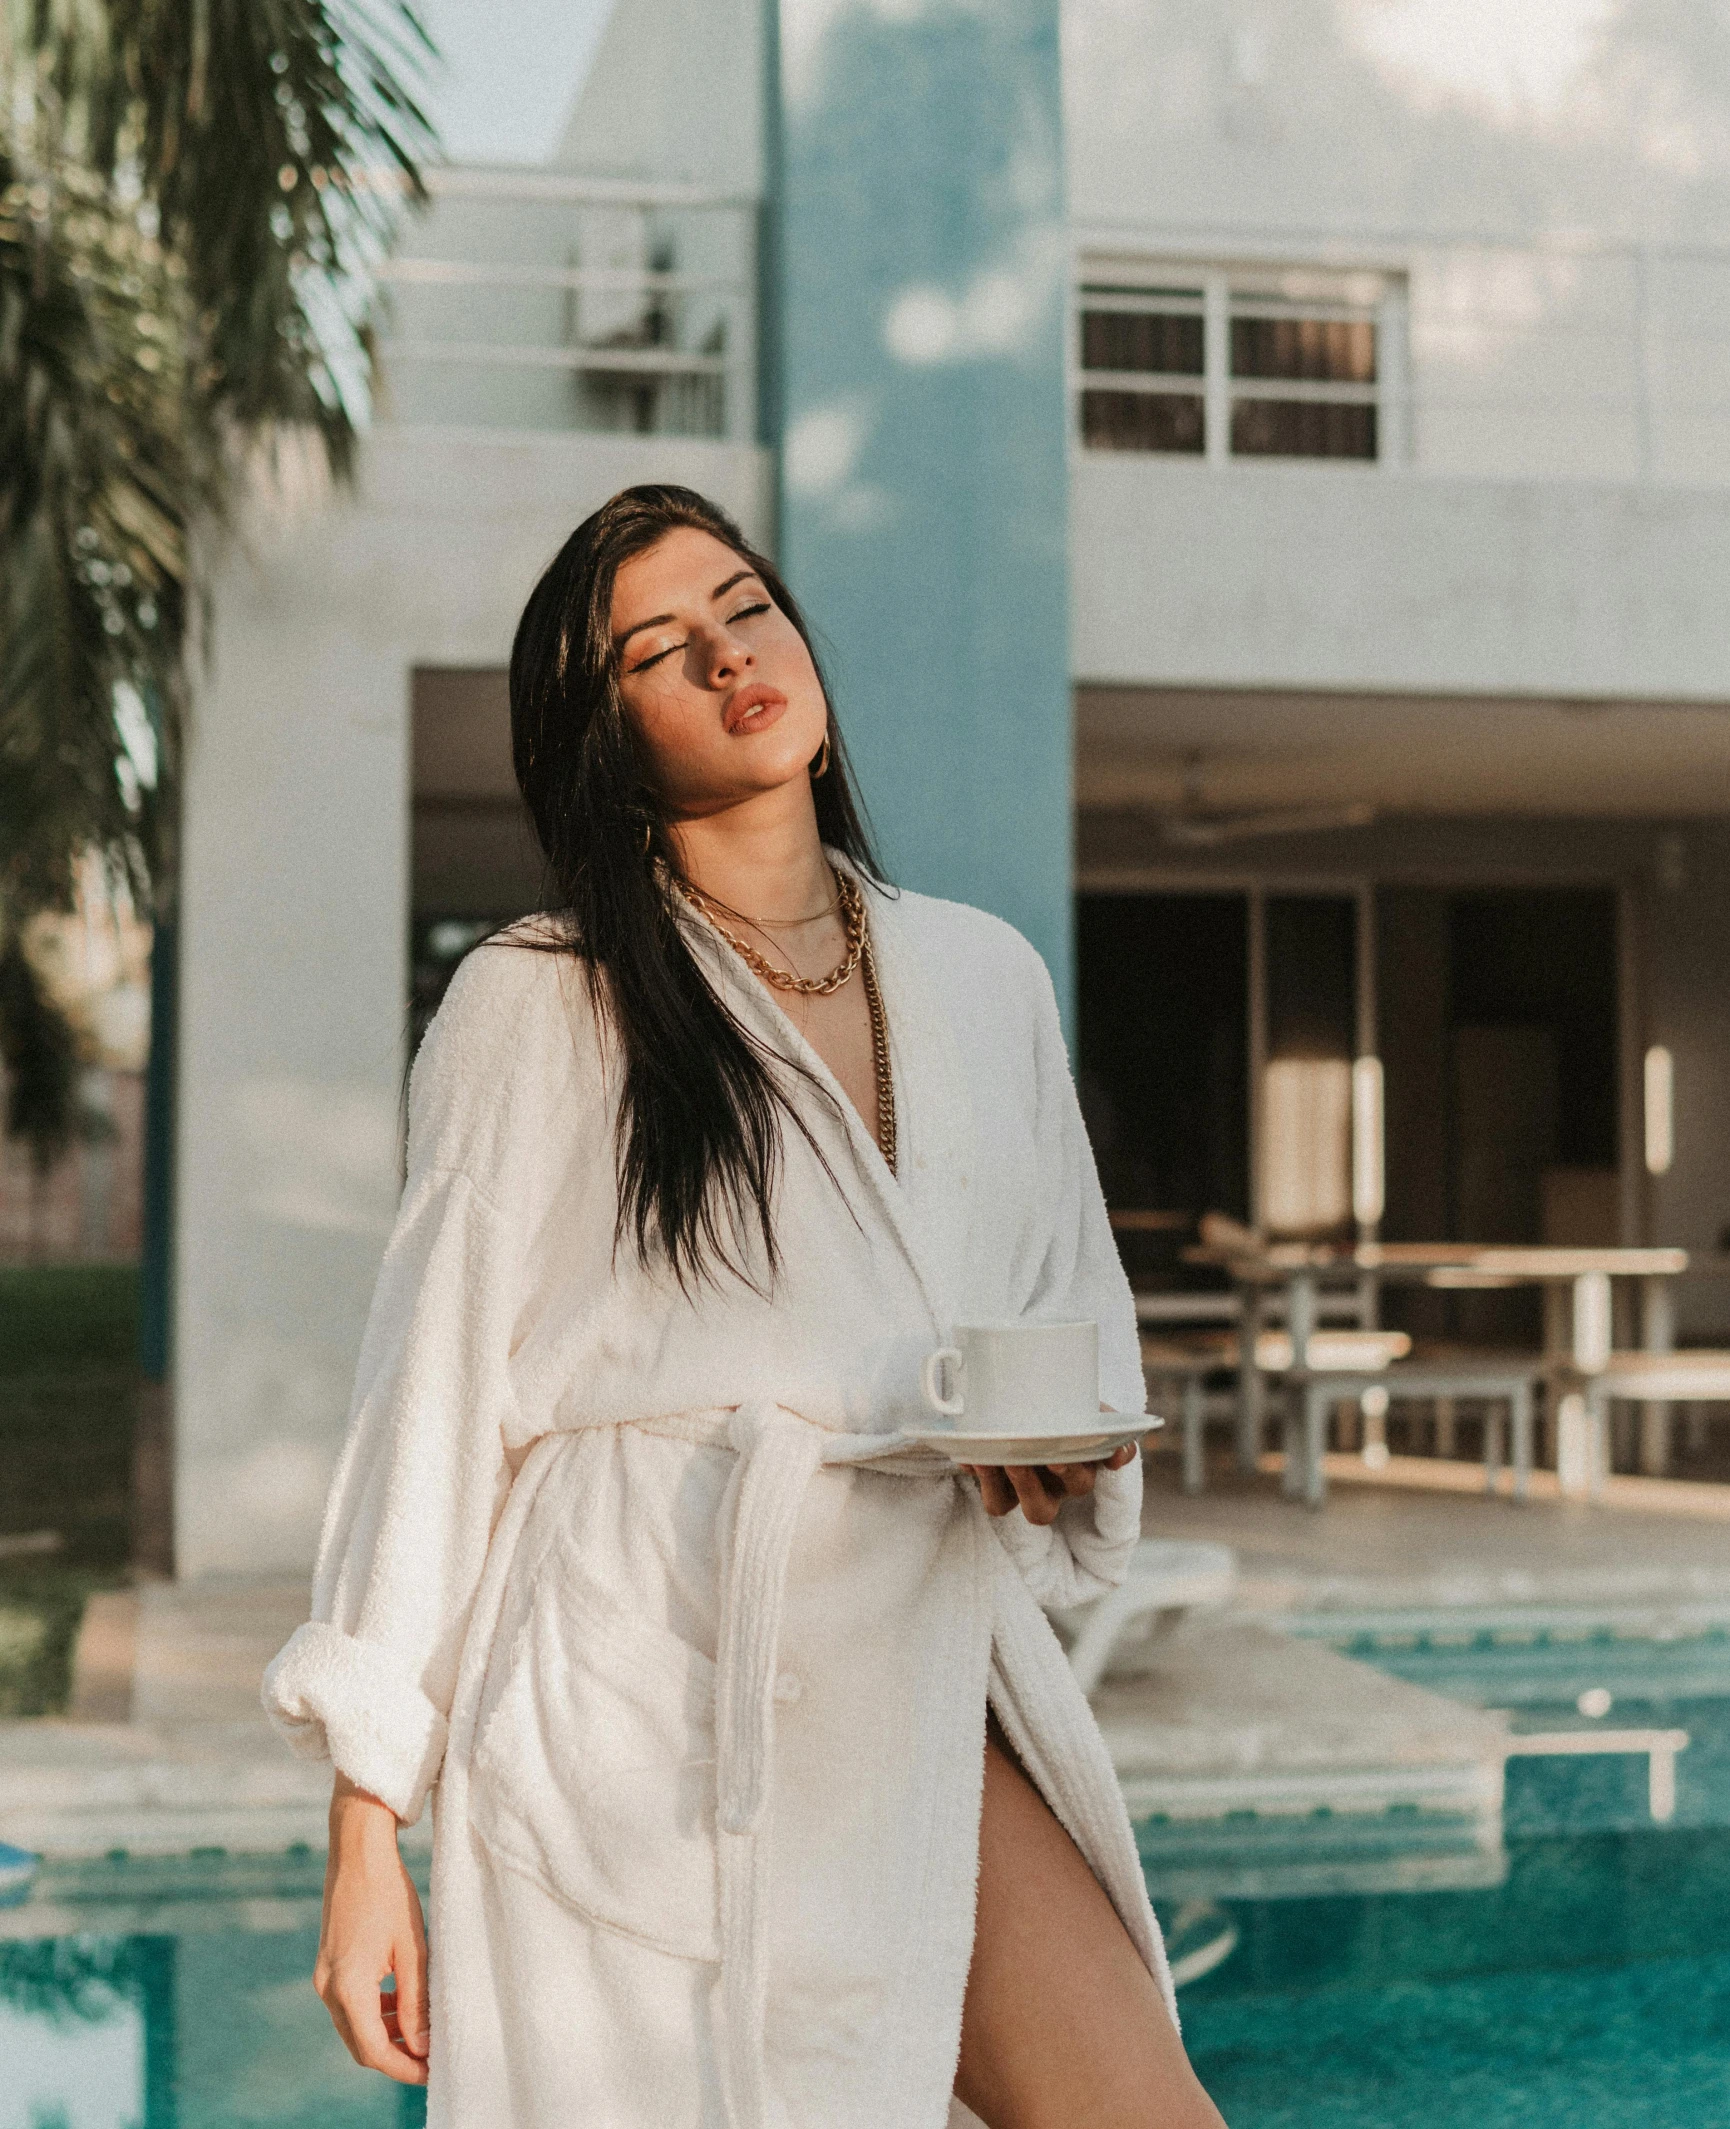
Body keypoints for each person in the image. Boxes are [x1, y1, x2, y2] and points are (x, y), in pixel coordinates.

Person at [263, 484, 1225, 2129]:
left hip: (914, 1645)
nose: (728, 658)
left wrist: (1055, 1455)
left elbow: (1068, 1303)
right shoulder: (538, 996)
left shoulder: (983, 974)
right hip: (635, 1676)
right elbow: (430, 1392)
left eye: (746, 608)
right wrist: (368, 1830)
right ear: (604, 736)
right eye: (660, 649)